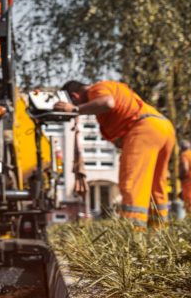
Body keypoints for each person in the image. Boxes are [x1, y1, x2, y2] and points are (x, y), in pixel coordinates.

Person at [54, 80, 175, 228]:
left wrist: (74, 109)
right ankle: (159, 229)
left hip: (144, 129)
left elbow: (107, 103)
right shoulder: (112, 87)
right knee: (156, 183)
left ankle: (134, 230)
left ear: (74, 96)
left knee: (132, 183)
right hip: (163, 127)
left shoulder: (96, 89)